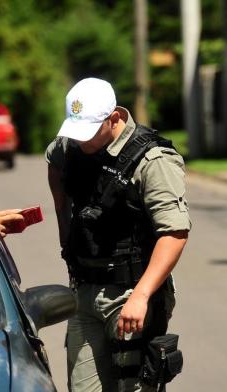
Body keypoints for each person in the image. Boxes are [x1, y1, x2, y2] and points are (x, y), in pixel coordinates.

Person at [45, 77, 191, 391]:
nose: (80, 141)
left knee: (135, 387)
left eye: (89, 132)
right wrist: (65, 230)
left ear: (115, 119)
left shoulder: (153, 160)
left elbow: (175, 233)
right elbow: (54, 162)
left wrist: (141, 296)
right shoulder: (70, 146)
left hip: (132, 292)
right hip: (85, 292)